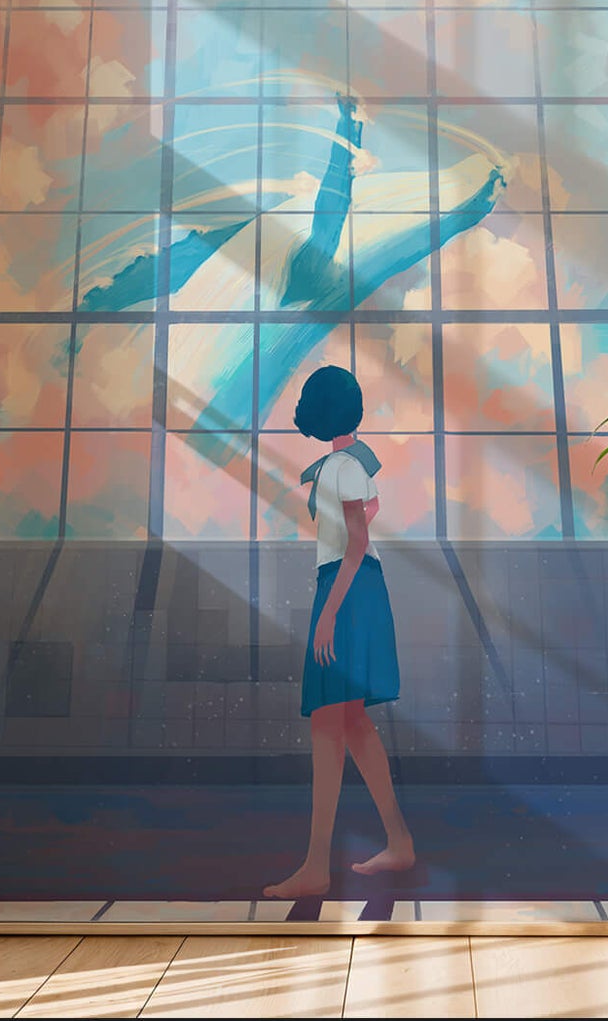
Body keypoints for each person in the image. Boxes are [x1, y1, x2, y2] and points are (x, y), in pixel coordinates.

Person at [262, 364, 417, 899]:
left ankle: (316, 866)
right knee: (349, 721)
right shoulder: (348, 465)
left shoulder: (341, 467)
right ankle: (398, 840)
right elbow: (370, 511)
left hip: (346, 589)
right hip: (355, 587)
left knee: (330, 723)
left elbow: (355, 541)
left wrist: (328, 613)